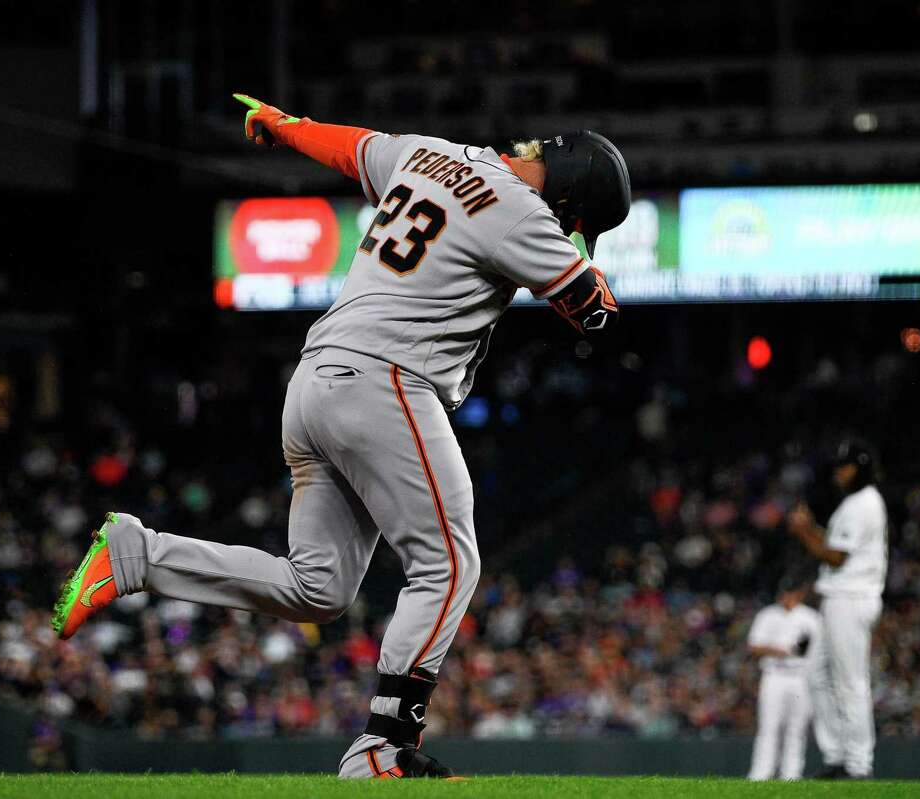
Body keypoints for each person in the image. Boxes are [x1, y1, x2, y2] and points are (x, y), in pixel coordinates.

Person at [50, 94, 630, 779]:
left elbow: (348, 144)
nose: (569, 227)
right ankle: (383, 746)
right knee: (450, 561)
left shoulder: (429, 151)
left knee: (317, 589)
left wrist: (285, 125)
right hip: (386, 381)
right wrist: (587, 273)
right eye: (577, 218)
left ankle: (137, 555)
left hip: (315, 383)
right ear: (570, 195)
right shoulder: (526, 213)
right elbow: (592, 314)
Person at [786, 438, 887, 779]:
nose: (839, 472)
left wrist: (803, 532)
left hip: (852, 598)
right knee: (816, 673)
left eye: (845, 467)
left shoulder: (863, 503)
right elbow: (832, 546)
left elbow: (834, 556)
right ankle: (837, 754)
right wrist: (811, 527)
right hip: (841, 597)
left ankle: (858, 764)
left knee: (851, 682)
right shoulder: (856, 502)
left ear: (860, 469)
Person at [746, 575, 823, 781]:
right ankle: (761, 773)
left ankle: (792, 774)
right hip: (774, 674)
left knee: (796, 728)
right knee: (768, 725)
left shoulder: (811, 618)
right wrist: (781, 650)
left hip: (801, 677)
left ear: (800, 594)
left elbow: (815, 652)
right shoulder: (768, 614)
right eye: (783, 592)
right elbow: (754, 647)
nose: (786, 596)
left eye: (790, 592)